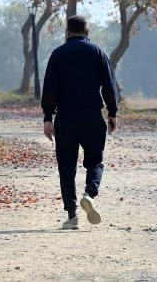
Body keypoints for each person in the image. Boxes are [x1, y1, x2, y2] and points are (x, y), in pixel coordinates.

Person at [41, 14, 118, 230]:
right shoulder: (97, 52)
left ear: (67, 32)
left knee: (66, 167)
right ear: (87, 31)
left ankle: (72, 215)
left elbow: (49, 89)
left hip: (65, 118)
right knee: (95, 162)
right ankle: (89, 195)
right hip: (92, 116)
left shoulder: (58, 54)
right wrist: (112, 112)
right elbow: (109, 86)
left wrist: (48, 117)